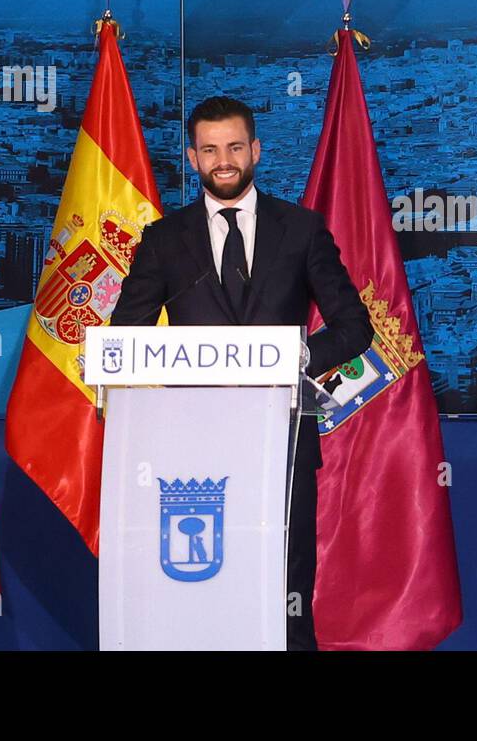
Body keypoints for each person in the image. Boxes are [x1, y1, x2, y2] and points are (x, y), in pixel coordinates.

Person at [110, 95, 374, 650]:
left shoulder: (301, 230)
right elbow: (126, 339)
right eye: (209, 150)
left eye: (234, 147)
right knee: (198, 589)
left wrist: (297, 356)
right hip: (189, 454)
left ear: (255, 150)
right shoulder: (163, 239)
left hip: (283, 445)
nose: (222, 160)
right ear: (191, 158)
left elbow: (354, 327)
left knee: (285, 591)